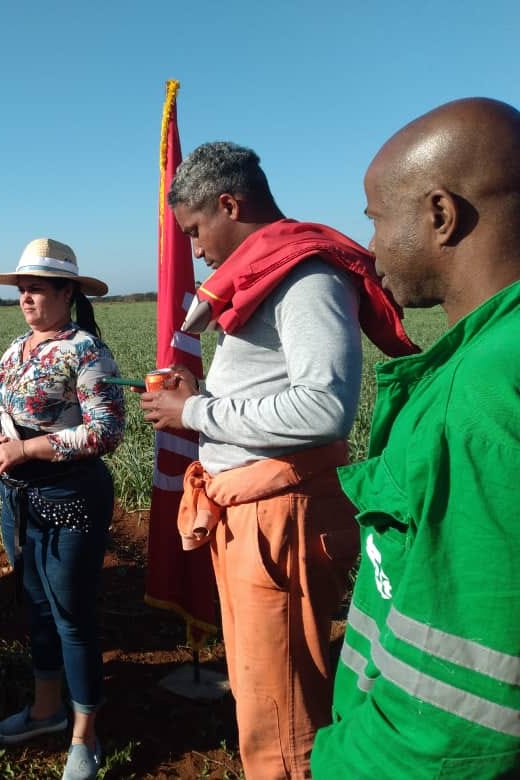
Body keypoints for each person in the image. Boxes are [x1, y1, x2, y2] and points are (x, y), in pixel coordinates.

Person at [139, 143, 418, 779]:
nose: (197, 251)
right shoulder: (268, 275)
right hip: (253, 515)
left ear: (229, 204)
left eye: (195, 231)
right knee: (262, 688)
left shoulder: (306, 277)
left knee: (282, 705)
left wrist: (197, 413)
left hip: (279, 521)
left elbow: (324, 408)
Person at [310, 98, 520, 778]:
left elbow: (457, 716)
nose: (368, 248)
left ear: (439, 215)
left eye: (376, 218)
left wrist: (339, 760)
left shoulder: (476, 401)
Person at [0, 239, 125, 780]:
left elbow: (107, 430)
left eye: (37, 289)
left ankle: (85, 735)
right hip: (17, 495)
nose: (26, 298)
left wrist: (28, 449)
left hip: (70, 496)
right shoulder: (16, 349)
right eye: (22, 289)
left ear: (67, 292)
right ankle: (45, 709)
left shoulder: (86, 351)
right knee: (37, 606)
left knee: (72, 616)